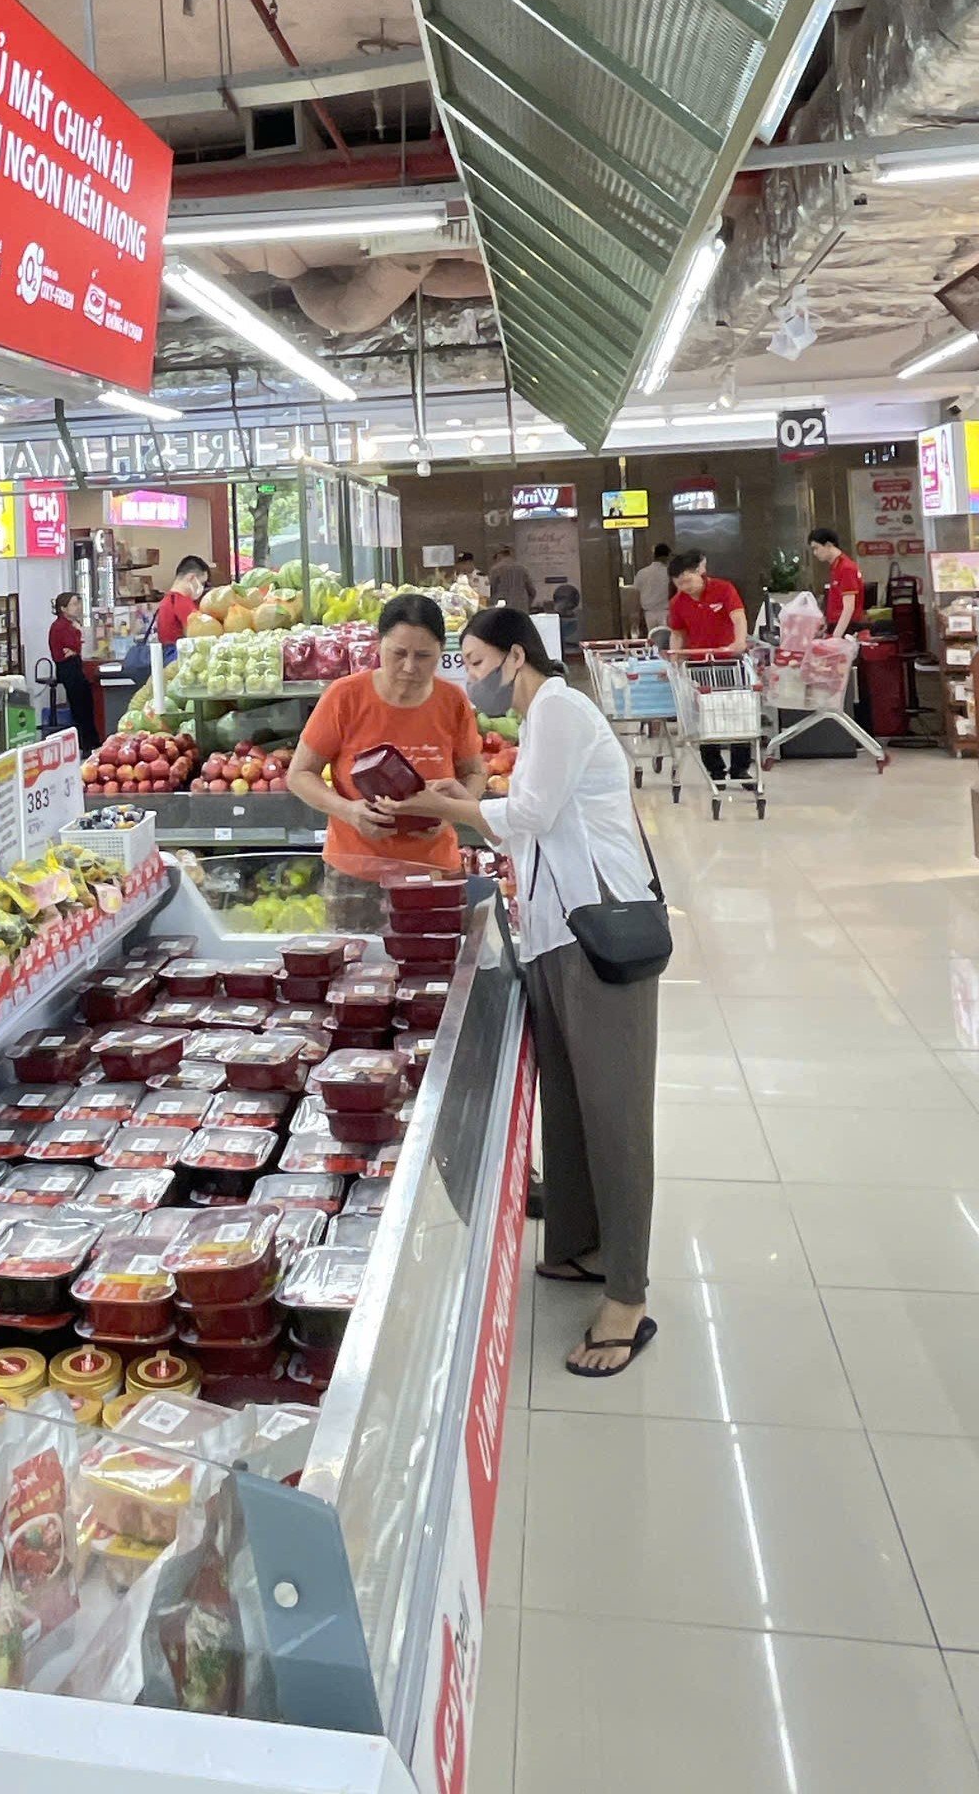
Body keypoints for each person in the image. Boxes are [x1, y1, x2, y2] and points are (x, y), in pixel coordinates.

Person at [402, 607, 659, 1377]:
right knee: (572, 1105)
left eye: (475, 661)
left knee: (614, 1111)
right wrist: (462, 801)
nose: (468, 676)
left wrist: (444, 806)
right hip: (555, 931)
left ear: (515, 655)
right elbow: (524, 827)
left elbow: (533, 812)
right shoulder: (543, 720)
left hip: (599, 933)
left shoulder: (559, 707)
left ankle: (629, 1295)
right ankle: (582, 1248)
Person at [288, 593, 485, 930]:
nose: (409, 667)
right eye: (398, 653)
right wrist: (349, 811)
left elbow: (475, 771)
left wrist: (451, 813)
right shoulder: (345, 697)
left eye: (423, 656)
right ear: (379, 647)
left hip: (433, 868)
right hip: (356, 871)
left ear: (442, 651)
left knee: (435, 971)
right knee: (354, 972)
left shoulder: (453, 702)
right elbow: (299, 774)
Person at [665, 549, 751, 784]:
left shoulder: (724, 589)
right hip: (699, 665)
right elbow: (678, 634)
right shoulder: (678, 602)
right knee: (704, 717)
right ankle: (714, 769)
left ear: (699, 573)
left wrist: (739, 642)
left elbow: (738, 617)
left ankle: (740, 767)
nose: (686, 587)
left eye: (689, 580)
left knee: (738, 712)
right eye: (680, 584)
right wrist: (675, 661)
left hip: (729, 661)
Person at [47, 591, 102, 755]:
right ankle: (85, 745)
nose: (77, 607)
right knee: (80, 707)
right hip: (67, 668)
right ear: (63, 608)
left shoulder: (72, 624)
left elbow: (75, 648)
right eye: (74, 604)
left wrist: (74, 648)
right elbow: (68, 649)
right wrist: (76, 639)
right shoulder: (59, 626)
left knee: (87, 704)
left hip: (75, 665)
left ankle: (92, 742)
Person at [809, 528, 864, 641]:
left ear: (829, 545)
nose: (815, 553)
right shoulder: (836, 567)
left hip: (846, 628)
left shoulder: (846, 568)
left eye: (816, 548)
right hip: (836, 625)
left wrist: (836, 637)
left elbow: (849, 607)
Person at [152, 554, 210, 653]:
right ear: (192, 578)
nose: (203, 587)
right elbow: (201, 634)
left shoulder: (167, 600)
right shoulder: (182, 602)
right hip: (179, 657)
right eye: (202, 583)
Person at [632, 543, 672, 634]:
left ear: (654, 555)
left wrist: (638, 615)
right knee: (666, 640)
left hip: (648, 613)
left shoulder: (642, 573)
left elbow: (636, 596)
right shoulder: (669, 573)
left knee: (651, 641)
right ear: (667, 556)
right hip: (666, 612)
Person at [488, 546, 537, 611]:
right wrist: (527, 604)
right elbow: (532, 591)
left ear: (499, 555)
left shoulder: (495, 569)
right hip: (521, 609)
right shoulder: (522, 568)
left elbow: (491, 590)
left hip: (503, 609)